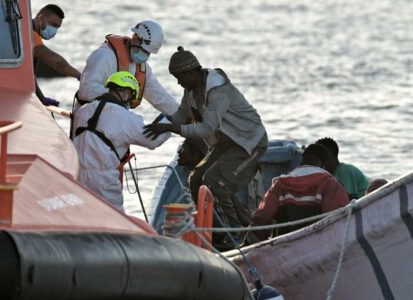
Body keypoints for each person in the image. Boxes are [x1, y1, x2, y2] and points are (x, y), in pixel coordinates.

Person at [143, 46, 268, 236]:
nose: (179, 83)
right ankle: (220, 227)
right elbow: (182, 115)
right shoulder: (191, 90)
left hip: (249, 142)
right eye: (176, 78)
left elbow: (206, 129)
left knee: (216, 182)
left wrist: (169, 128)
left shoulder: (218, 91)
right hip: (225, 143)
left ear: (193, 72)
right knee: (196, 179)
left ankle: (236, 233)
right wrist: (162, 122)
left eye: (180, 78)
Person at [73, 71, 171, 212]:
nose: (129, 103)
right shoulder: (124, 116)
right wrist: (170, 121)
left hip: (77, 176)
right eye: (130, 99)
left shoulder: (83, 111)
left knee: (83, 215)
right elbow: (152, 141)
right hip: (103, 181)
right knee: (113, 220)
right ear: (126, 93)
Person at [75, 20, 178, 117]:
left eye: (148, 53)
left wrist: (184, 115)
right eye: (144, 50)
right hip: (89, 122)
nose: (145, 55)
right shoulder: (104, 55)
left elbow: (160, 96)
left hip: (114, 120)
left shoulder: (141, 67)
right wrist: (117, 95)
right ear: (135, 39)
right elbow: (86, 90)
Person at [250, 144, 349, 241]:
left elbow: (263, 216)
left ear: (302, 161)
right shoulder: (330, 184)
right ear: (323, 165)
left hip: (284, 246)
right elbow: (339, 221)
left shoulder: (279, 184)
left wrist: (253, 240)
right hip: (318, 246)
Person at [150, 138, 208, 233]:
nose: (179, 152)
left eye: (182, 148)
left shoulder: (204, 180)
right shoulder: (182, 175)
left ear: (195, 154)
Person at [32, 4, 81, 106]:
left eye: (57, 27)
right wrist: (79, 75)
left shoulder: (30, 33)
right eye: (53, 25)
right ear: (41, 18)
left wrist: (41, 98)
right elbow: (57, 63)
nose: (54, 31)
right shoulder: (29, 33)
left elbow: (30, 76)